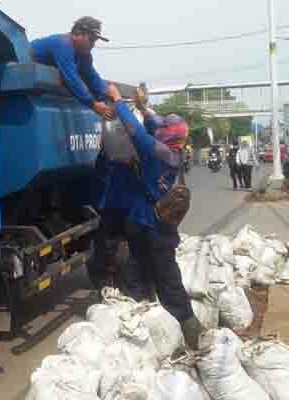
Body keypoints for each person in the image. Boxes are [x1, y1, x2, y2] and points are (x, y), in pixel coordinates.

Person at [103, 83, 204, 349]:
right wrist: (143, 105)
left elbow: (136, 132)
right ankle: (150, 330)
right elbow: (154, 123)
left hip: (151, 225)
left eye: (162, 129)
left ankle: (192, 334)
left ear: (167, 136)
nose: (158, 129)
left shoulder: (160, 153)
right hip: (149, 225)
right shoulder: (175, 150)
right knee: (137, 273)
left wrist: (117, 101)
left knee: (165, 280)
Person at [31, 17, 114, 120]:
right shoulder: (62, 44)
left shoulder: (84, 55)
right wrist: (93, 104)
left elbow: (92, 77)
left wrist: (106, 94)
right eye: (91, 39)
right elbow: (71, 78)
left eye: (95, 41)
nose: (93, 44)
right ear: (78, 34)